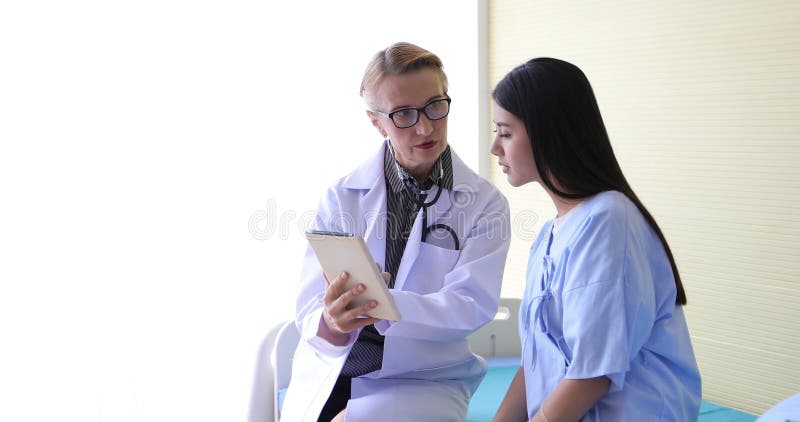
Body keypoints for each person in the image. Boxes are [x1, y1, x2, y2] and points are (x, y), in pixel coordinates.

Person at [280, 42, 511, 422]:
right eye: (403, 113)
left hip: (420, 379)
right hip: (334, 369)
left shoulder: (485, 204)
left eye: (435, 106)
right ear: (376, 121)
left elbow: (471, 305)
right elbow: (308, 304)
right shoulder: (342, 197)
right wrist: (332, 323)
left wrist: (383, 304)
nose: (425, 126)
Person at [489, 58, 702, 421]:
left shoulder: (608, 220)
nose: (495, 147)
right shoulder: (548, 235)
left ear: (547, 132)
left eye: (506, 132)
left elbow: (592, 374)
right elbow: (535, 365)